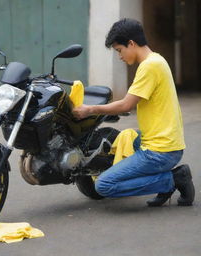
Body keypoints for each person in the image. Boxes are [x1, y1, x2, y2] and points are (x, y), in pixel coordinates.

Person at [72, 18, 195, 206]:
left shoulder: (149, 66)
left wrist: (90, 109)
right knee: (125, 138)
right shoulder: (157, 60)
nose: (120, 56)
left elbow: (125, 105)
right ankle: (162, 180)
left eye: (119, 50)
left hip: (161, 151)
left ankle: (172, 180)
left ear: (131, 43)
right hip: (163, 142)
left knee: (104, 185)